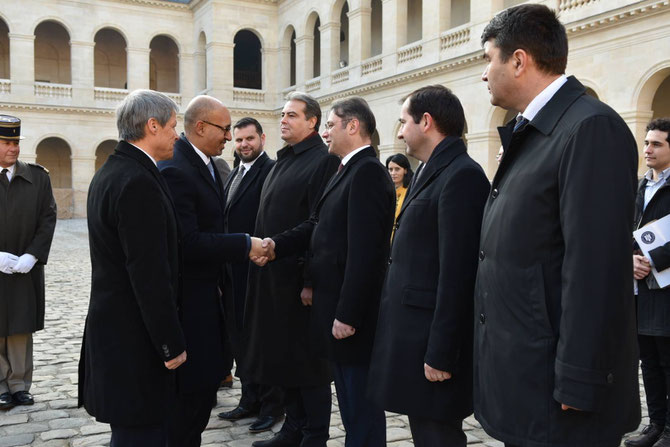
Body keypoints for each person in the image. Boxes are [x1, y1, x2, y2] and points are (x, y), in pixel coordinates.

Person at [474, 4, 641, 447]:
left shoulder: (589, 129)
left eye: (488, 59)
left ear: (519, 59)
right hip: (527, 378)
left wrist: (580, 378)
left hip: (559, 394)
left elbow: (596, 268)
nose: (484, 74)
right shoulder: (540, 130)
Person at [260, 96, 395, 446]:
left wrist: (348, 314)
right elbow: (317, 224)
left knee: (359, 406)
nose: (325, 133)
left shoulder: (366, 172)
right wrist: (276, 245)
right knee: (350, 403)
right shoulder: (346, 169)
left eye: (331, 125)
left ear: (353, 126)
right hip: (332, 307)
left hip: (349, 316)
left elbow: (366, 254)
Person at [368, 85, 489, 446]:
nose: (401, 131)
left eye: (404, 122)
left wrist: (442, 352)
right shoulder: (429, 170)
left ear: (426, 121)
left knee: (438, 435)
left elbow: (458, 272)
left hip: (432, 343)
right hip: (413, 335)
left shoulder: (461, 175)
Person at [79, 89, 188, 446]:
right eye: (173, 126)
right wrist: (171, 344)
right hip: (135, 340)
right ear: (152, 125)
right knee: (140, 435)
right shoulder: (137, 181)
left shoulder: (112, 171)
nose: (177, 134)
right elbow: (149, 274)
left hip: (117, 333)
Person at [158, 95, 267, 447]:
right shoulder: (177, 168)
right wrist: (243, 243)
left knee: (203, 396)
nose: (229, 137)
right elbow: (187, 242)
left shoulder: (204, 164)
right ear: (201, 127)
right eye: (224, 129)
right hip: (190, 301)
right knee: (189, 403)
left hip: (210, 292)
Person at [243, 92, 339, 447]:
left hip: (299, 281)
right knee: (284, 360)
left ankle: (314, 435)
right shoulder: (283, 160)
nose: (283, 120)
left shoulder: (322, 161)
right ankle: (292, 429)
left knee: (308, 365)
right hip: (272, 278)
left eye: (292, 115)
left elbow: (321, 226)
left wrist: (310, 280)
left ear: (313, 121)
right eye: (283, 115)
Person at [217, 117, 283, 433]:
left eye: (250, 139)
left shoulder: (270, 171)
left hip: (259, 269)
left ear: (262, 139)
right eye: (239, 139)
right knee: (240, 338)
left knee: (264, 340)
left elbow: (273, 219)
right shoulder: (233, 175)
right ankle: (249, 399)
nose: (244, 144)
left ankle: (272, 405)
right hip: (233, 271)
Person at [0, 115, 57, 411]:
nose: (13, 148)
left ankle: (19, 385)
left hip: (24, 268)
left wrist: (32, 255)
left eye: (15, 142)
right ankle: (0, 386)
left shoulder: (38, 177)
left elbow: (47, 219)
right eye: (7, 142)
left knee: (20, 325)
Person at [626, 118, 670, 447]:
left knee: (668, 360)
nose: (648, 149)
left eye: (656, 144)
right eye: (646, 143)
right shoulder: (640, 185)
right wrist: (629, 260)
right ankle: (655, 425)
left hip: (666, 291)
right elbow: (623, 230)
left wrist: (653, 259)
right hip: (639, 290)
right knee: (649, 361)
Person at [385, 153, 413, 223]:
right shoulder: (385, 191)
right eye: (390, 169)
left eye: (397, 169)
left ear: (405, 170)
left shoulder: (411, 191)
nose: (393, 173)